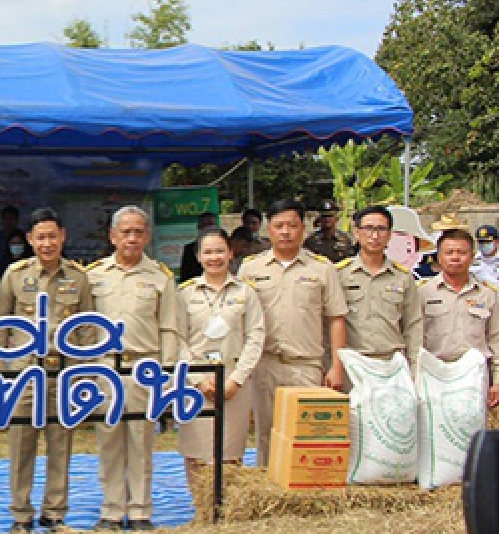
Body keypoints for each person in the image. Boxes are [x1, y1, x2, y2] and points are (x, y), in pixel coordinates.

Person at [0, 207, 93, 534]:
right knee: (21, 444)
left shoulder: (79, 277)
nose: (47, 243)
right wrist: (2, 374)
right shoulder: (15, 275)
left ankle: (55, 511)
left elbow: (88, 330)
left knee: (59, 444)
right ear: (29, 240)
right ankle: (21, 513)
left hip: (63, 374)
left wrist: (84, 374)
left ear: (63, 236)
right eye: (41, 237)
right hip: (24, 373)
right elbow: (0, 327)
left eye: (53, 236)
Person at [87, 205, 178, 531]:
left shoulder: (161, 278)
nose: (132, 238)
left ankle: (140, 510)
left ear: (147, 236)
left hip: (144, 369)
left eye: (139, 232)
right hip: (105, 369)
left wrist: (166, 375)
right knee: (108, 441)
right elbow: (83, 329)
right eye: (125, 232)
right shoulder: (93, 275)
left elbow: (169, 328)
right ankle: (111, 510)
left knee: (141, 441)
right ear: (112, 236)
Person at [239, 199, 348, 467]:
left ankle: (305, 498)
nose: (285, 232)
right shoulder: (250, 269)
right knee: (266, 434)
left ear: (303, 228)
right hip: (264, 364)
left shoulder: (322, 269)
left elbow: (336, 319)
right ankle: (268, 492)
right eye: (279, 226)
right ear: (269, 229)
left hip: (306, 366)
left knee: (307, 436)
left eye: (292, 225)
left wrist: (336, 366)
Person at [176, 228, 264, 486]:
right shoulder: (185, 294)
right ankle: (201, 508)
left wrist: (236, 380)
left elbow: (255, 336)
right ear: (198, 256)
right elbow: (177, 340)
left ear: (230, 253)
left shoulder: (246, 293)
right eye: (208, 252)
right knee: (195, 449)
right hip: (196, 385)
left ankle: (225, 506)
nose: (214, 257)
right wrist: (198, 380)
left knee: (230, 449)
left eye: (219, 251)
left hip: (233, 382)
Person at [335, 205, 422, 387]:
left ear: (390, 234)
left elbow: (413, 326)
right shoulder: (339, 274)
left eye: (381, 229)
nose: (374, 236)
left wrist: (415, 369)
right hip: (353, 365)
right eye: (368, 229)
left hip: (392, 367)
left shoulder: (403, 277)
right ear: (357, 232)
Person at [419, 228, 499, 408]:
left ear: (471, 257)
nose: (455, 258)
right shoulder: (422, 293)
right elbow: (414, 338)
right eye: (449, 253)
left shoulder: (487, 295)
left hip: (475, 377)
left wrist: (497, 380)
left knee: (473, 433)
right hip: (435, 375)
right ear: (439, 257)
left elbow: (495, 339)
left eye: (462, 253)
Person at [0, 205, 23, 297]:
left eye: (11, 218)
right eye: (5, 218)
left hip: (21, 282)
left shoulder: (24, 238)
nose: (8, 221)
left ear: (17, 221)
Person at [179, 212, 218, 282]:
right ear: (199, 227)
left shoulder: (224, 246)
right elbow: (185, 277)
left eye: (211, 224)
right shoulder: (189, 249)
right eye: (205, 225)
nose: (208, 228)